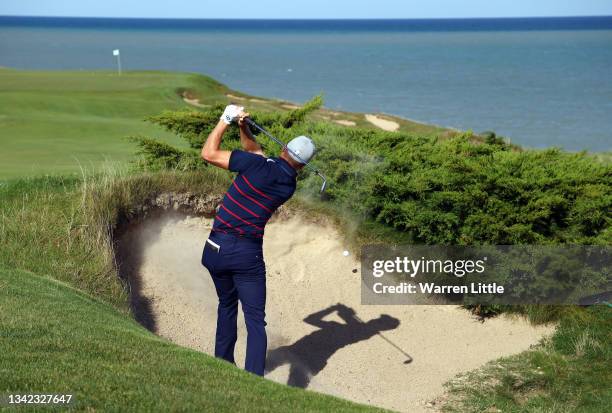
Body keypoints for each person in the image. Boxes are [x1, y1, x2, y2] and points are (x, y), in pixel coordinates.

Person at [200, 104, 316, 376]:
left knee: (227, 305)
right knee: (255, 321)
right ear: (301, 165)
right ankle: (253, 379)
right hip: (246, 255)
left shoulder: (257, 164)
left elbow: (208, 153)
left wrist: (225, 120)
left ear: (284, 149)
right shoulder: (288, 184)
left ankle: (223, 367)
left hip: (216, 248)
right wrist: (244, 127)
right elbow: (256, 153)